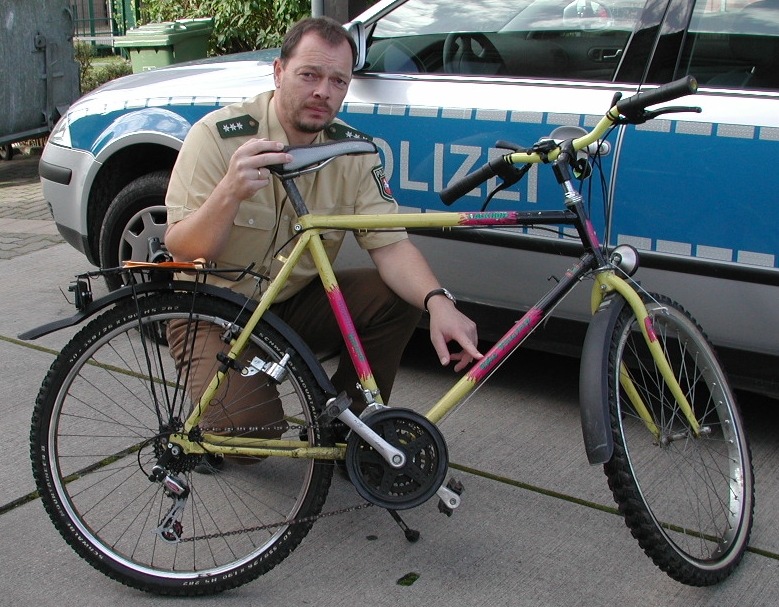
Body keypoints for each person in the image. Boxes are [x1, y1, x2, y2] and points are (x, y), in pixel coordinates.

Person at [164, 16, 481, 443]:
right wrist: (229, 193)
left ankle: (354, 429)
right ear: (278, 71)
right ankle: (222, 411)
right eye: (309, 75)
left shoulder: (352, 151)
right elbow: (184, 251)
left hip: (290, 305)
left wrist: (439, 302)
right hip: (212, 311)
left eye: (338, 81)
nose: (323, 92)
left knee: (398, 297)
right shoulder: (217, 138)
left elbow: (390, 246)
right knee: (249, 437)